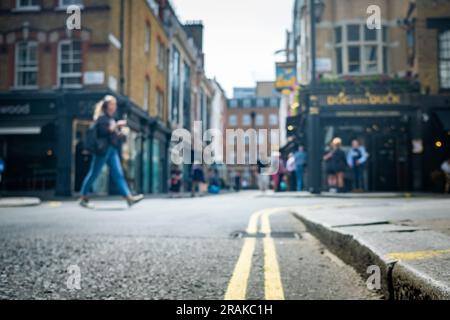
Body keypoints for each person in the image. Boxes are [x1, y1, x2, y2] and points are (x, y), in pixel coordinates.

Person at [79, 95, 144, 209]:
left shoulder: (110, 118)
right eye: (112, 104)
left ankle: (128, 197)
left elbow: (112, 134)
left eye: (115, 104)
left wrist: (120, 133)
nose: (114, 106)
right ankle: (83, 197)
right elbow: (105, 131)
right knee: (94, 173)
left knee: (118, 174)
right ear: (106, 106)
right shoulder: (102, 117)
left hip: (111, 150)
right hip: (103, 150)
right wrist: (117, 125)